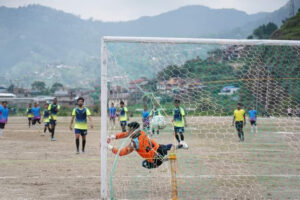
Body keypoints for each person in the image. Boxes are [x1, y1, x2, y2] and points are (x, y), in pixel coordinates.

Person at [107, 122, 178, 169]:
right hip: (159, 148)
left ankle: (165, 158)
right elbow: (126, 134)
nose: (128, 131)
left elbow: (121, 152)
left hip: (156, 159)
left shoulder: (134, 144)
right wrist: (113, 137)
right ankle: (178, 146)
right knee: (165, 146)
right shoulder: (142, 132)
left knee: (144, 164)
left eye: (129, 130)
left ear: (133, 130)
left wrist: (108, 146)